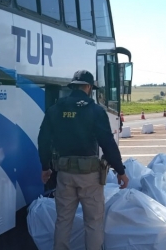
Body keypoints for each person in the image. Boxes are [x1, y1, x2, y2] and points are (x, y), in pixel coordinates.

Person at [38, 70, 129, 250]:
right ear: (88, 87)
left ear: (73, 86)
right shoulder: (95, 110)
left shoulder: (56, 109)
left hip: (64, 174)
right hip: (90, 177)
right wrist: (120, 171)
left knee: (63, 220)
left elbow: (43, 140)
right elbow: (107, 143)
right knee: (93, 222)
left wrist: (45, 167)